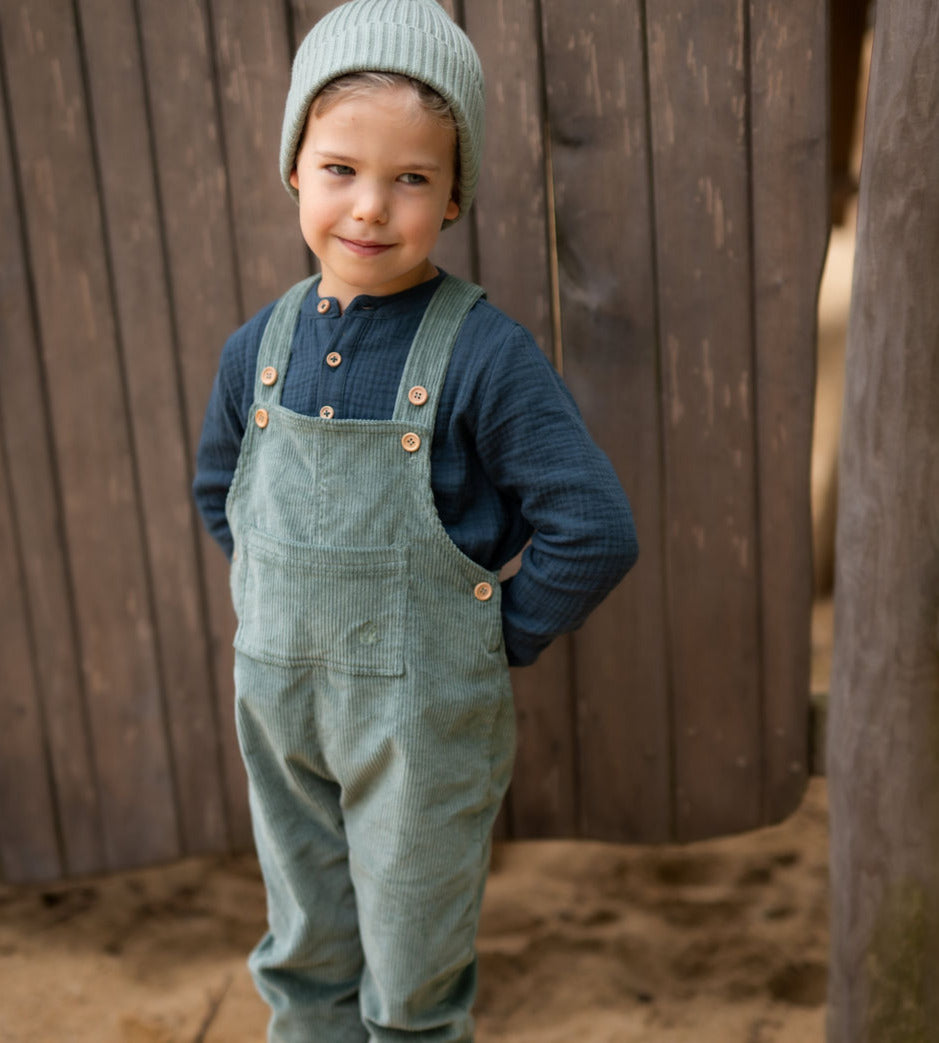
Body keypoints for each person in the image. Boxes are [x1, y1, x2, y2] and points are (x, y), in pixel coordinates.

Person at [193, 1, 638, 1038]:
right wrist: (282, 603)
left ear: (450, 198)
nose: (369, 206)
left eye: (411, 178)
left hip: (423, 722)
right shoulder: (255, 346)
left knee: (409, 963)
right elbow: (225, 495)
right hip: (279, 703)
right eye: (341, 167)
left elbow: (591, 525)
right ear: (293, 167)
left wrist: (486, 635)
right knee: (303, 944)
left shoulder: (484, 353)